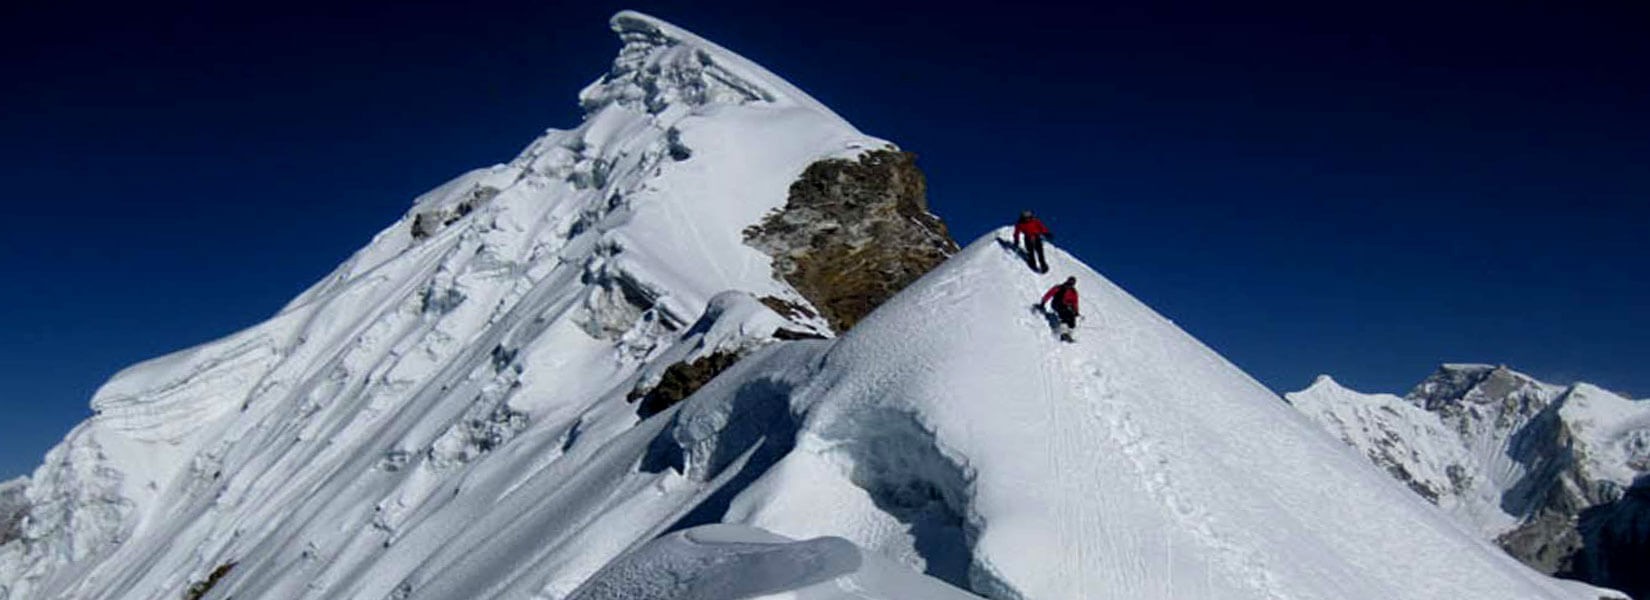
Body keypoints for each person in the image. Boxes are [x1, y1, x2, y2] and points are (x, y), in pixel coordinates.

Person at [1040, 276, 1080, 342]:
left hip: (1065, 306)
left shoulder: (1073, 292)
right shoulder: (1060, 287)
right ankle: (1063, 334)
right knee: (1065, 314)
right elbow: (1049, 294)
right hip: (1057, 303)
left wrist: (1076, 312)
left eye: (1072, 283)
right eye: (1070, 282)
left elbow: (1074, 302)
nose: (1070, 284)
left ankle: (1068, 334)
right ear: (1067, 281)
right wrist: (1043, 302)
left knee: (1071, 317)